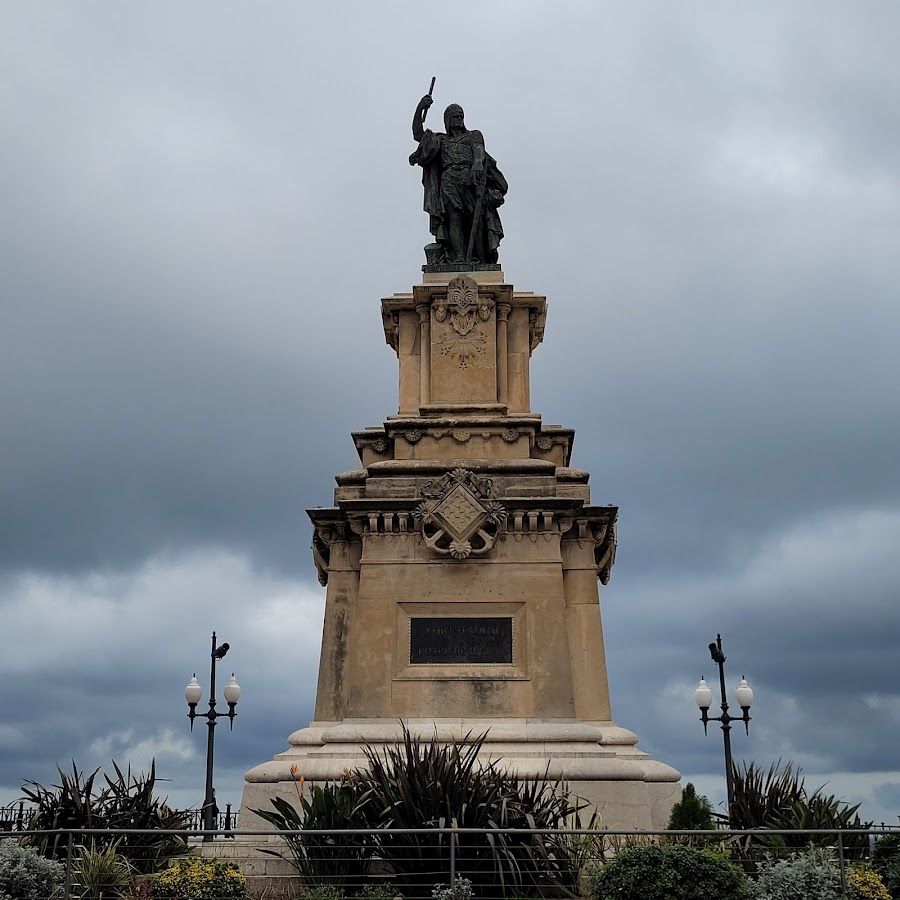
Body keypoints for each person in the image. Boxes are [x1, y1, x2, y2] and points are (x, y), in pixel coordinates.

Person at [410, 95, 507, 265]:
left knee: (474, 222)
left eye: (461, 116)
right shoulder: (440, 140)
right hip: (449, 182)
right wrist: (420, 108)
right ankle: (460, 258)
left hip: (470, 180)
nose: (459, 119)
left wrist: (477, 162)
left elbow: (479, 150)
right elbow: (418, 135)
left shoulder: (473, 135)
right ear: (447, 119)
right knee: (454, 220)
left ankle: (480, 258)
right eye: (455, 116)